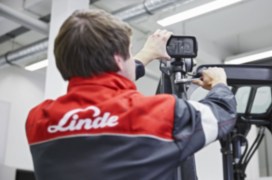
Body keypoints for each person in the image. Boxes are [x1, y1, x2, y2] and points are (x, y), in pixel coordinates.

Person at [25, 9, 237, 180]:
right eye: (129, 52)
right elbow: (222, 113)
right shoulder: (159, 114)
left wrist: (146, 55)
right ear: (118, 60)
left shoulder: (39, 121)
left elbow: (99, 88)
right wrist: (219, 83)